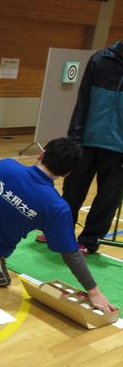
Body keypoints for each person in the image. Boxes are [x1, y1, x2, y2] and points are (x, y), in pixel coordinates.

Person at [0, 137, 116, 313]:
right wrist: (94, 291)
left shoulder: (5, 166)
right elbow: (71, 254)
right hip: (2, 248)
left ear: (41, 155)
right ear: (67, 173)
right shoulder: (57, 207)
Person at [36, 42, 123, 254]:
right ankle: (59, 230)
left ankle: (89, 240)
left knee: (107, 199)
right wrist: (74, 138)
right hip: (85, 141)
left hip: (119, 149)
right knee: (72, 191)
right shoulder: (100, 60)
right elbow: (82, 100)